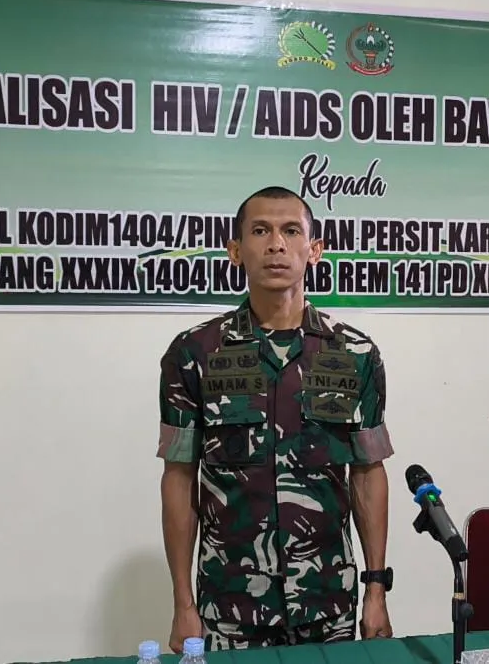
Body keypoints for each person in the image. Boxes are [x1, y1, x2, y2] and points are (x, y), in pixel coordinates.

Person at [157, 185, 395, 651]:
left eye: (291, 231)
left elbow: (368, 474)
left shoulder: (355, 353)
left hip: (328, 601)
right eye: (260, 231)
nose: (276, 245)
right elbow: (179, 477)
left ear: (314, 250)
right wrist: (183, 604)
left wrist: (375, 590)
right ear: (235, 251)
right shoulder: (194, 353)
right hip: (230, 605)